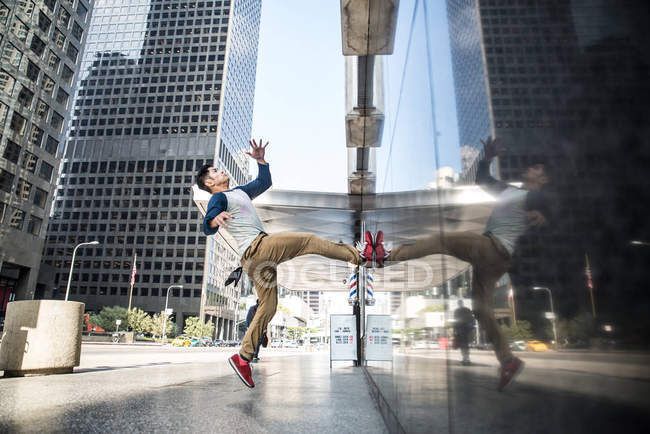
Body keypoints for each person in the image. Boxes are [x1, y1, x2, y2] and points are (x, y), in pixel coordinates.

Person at [369, 136, 550, 391]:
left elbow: (554, 202)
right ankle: (508, 360)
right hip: (496, 261)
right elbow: (483, 181)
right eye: (533, 167)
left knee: (442, 239)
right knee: (480, 308)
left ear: (544, 179)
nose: (532, 169)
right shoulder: (512, 191)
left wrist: (547, 214)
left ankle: (384, 256)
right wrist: (486, 159)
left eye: (539, 169)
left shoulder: (535, 197)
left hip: (491, 248)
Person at [197, 139, 367, 388]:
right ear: (210, 183)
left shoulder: (240, 192)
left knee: (269, 305)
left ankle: (243, 358)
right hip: (259, 248)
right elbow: (207, 226)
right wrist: (214, 219)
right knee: (308, 240)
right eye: (214, 172)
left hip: (255, 260)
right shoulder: (219, 198)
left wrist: (261, 161)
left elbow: (264, 182)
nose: (219, 170)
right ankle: (360, 257)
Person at [453, 300, 474, 365]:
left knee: (463, 345)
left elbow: (455, 320)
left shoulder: (457, 311)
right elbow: (471, 319)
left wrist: (455, 330)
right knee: (465, 345)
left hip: (462, 330)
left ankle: (465, 358)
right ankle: (466, 358)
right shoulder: (467, 310)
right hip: (465, 329)